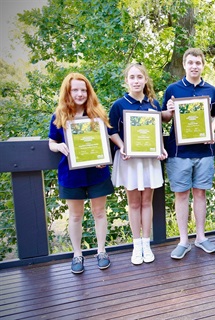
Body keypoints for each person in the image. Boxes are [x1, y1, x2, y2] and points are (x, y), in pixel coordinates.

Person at [49, 73, 114, 274]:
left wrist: (104, 159)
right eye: (75, 90)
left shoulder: (97, 115)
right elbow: (51, 142)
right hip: (71, 175)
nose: (80, 94)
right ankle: (77, 254)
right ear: (67, 92)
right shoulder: (59, 116)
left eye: (83, 90)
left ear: (89, 92)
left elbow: (108, 142)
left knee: (99, 212)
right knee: (75, 216)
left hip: (97, 174)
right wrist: (58, 146)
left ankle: (101, 251)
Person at [162, 48, 215, 259]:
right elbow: (165, 118)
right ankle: (183, 241)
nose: (194, 66)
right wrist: (168, 110)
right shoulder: (172, 89)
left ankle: (201, 238)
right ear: (185, 65)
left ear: (203, 65)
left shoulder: (212, 91)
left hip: (204, 152)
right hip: (179, 153)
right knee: (181, 194)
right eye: (191, 62)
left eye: (198, 62)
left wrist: (211, 129)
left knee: (200, 194)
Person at [109, 63, 168, 265]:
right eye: (132, 77)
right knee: (134, 203)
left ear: (145, 80)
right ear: (127, 81)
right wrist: (122, 146)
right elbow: (111, 131)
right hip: (130, 160)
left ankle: (146, 243)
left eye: (139, 77)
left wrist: (161, 148)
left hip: (149, 159)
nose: (136, 81)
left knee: (146, 202)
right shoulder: (118, 105)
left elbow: (157, 130)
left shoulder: (154, 104)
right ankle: (136, 245)